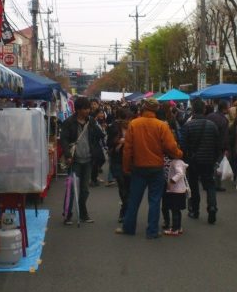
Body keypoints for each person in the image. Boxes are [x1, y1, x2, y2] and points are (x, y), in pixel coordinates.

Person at [115, 98, 182, 239]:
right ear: (156, 110)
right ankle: (152, 231)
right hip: (156, 167)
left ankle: (128, 227)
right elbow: (170, 146)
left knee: (134, 199)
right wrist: (179, 154)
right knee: (155, 200)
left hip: (138, 167)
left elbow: (128, 149)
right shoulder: (161, 125)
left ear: (143, 108)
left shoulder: (134, 124)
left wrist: (126, 167)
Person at [60, 96, 105, 224]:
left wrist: (98, 126)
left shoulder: (91, 122)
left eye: (89, 109)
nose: (88, 111)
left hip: (88, 160)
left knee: (85, 189)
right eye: (85, 109)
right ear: (78, 109)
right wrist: (68, 155)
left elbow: (100, 135)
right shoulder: (69, 122)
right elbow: (64, 140)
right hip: (74, 160)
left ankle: (83, 213)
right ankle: (67, 214)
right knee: (71, 189)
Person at [182, 99, 220, 224]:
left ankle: (195, 210)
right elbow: (217, 145)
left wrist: (186, 160)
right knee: (210, 185)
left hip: (193, 162)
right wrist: (214, 159)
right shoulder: (212, 125)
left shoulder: (188, 126)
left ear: (192, 110)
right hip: (208, 160)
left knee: (193, 186)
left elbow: (184, 146)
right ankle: (212, 207)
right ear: (204, 110)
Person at [107, 108, 131, 221]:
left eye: (129, 120)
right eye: (125, 119)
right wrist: (119, 142)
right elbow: (108, 143)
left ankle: (124, 210)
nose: (127, 122)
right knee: (122, 185)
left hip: (130, 162)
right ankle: (124, 210)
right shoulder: (114, 128)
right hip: (117, 160)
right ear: (120, 119)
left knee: (128, 187)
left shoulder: (134, 129)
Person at [207, 99, 229, 190]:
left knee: (210, 164)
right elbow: (225, 135)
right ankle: (216, 184)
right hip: (219, 145)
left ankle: (208, 182)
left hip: (208, 143)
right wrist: (225, 149)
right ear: (224, 109)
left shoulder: (210, 116)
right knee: (217, 165)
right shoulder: (224, 120)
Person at [163, 158, 188, 236]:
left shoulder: (175, 162)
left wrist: (171, 181)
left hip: (176, 190)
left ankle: (175, 229)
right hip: (180, 190)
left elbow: (180, 173)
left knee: (174, 210)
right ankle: (178, 227)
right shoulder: (180, 161)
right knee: (177, 210)